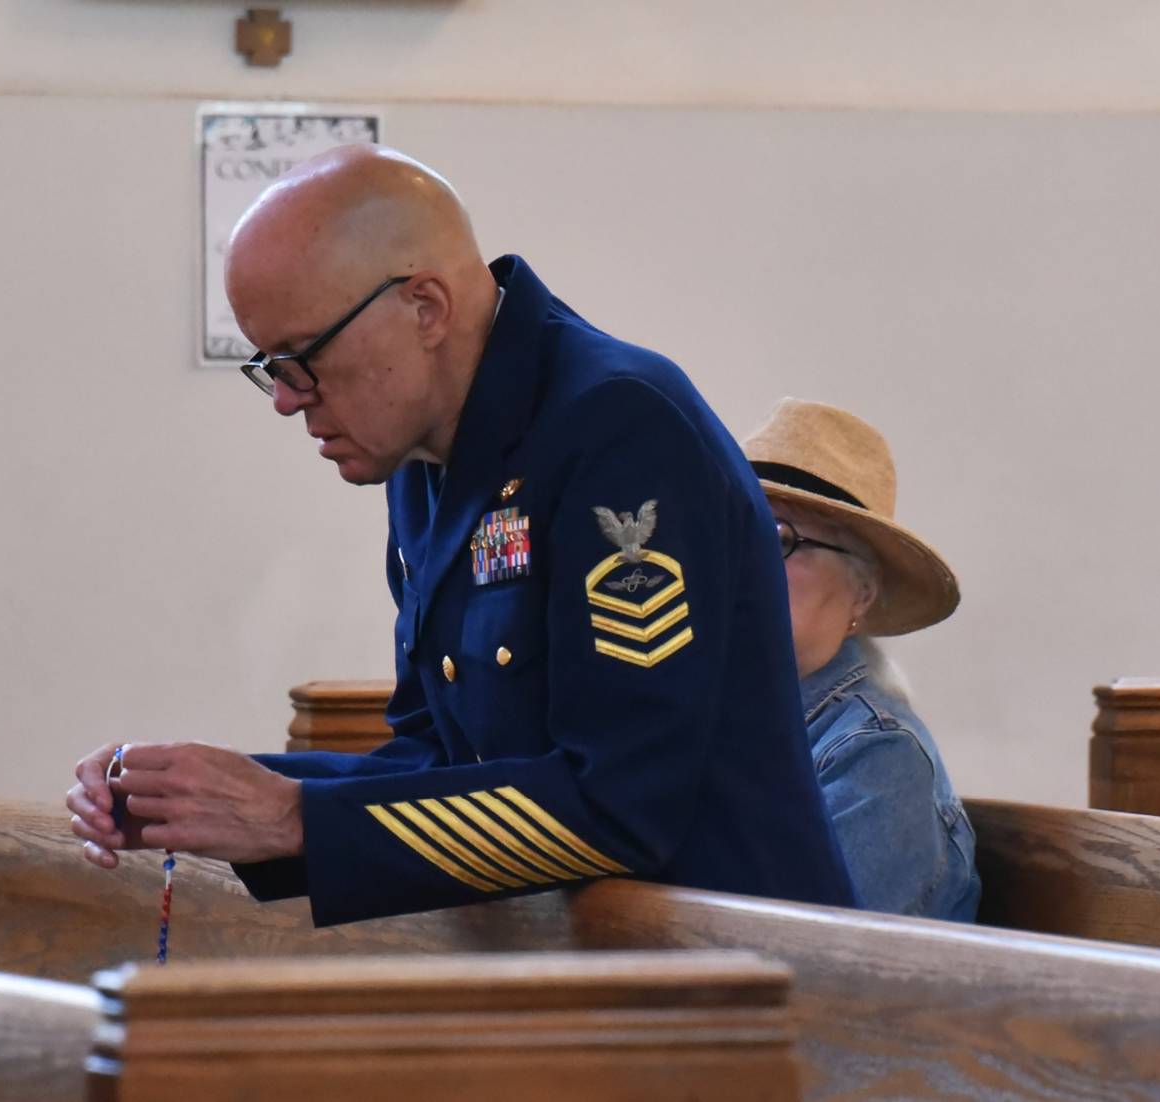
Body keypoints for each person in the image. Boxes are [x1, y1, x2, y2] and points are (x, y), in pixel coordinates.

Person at [66, 145, 856, 926]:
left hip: (738, 984)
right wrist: (199, 796)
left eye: (300, 359)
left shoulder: (621, 429)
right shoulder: (426, 456)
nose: (284, 399)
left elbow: (621, 803)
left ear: (425, 307)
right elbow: (439, 762)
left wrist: (292, 817)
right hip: (589, 972)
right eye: (269, 366)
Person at [742, 398, 980, 921]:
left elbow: (816, 971)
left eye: (781, 537)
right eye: (733, 530)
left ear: (862, 594)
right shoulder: (703, 711)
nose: (743, 560)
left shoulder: (877, 754)